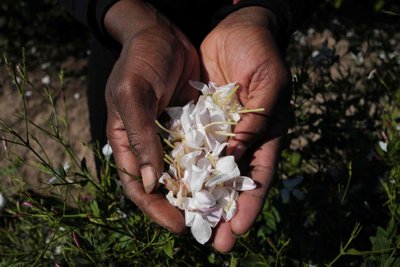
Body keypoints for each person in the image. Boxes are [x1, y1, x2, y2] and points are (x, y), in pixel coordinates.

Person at [59, 0, 323, 253]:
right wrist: (135, 21)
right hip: (130, 48)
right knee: (123, 192)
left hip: (238, 53)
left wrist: (262, 10)